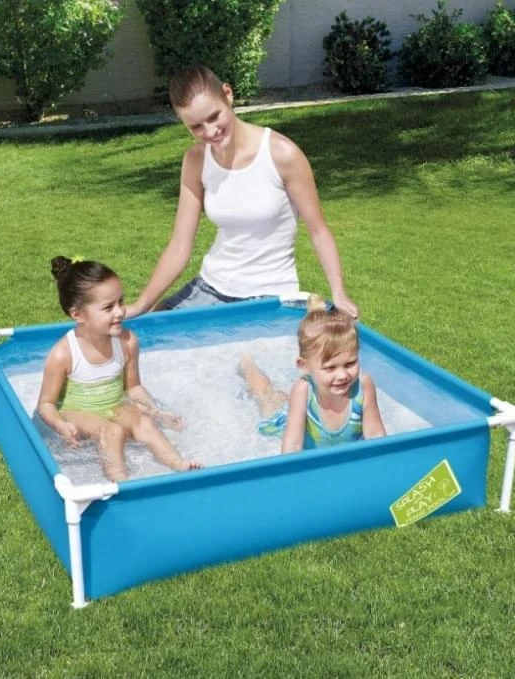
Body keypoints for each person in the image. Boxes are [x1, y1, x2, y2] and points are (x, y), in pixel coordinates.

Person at [125, 64, 359, 320]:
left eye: (214, 117)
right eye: (196, 127)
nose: (210, 132)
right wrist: (141, 305)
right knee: (149, 334)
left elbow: (318, 230)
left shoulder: (282, 154)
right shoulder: (196, 160)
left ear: (228, 94)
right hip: (210, 288)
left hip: (269, 295)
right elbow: (180, 245)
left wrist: (339, 292)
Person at [36, 256, 201, 481]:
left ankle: (179, 464)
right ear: (78, 315)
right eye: (108, 307)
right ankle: (120, 482)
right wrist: (60, 425)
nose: (119, 312)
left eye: (120, 302)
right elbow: (45, 404)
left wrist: (155, 411)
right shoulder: (63, 354)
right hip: (77, 412)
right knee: (111, 431)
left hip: (114, 406)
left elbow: (133, 388)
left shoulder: (127, 342)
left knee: (144, 423)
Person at [239, 296, 386, 453]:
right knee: (268, 397)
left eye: (350, 364)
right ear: (304, 365)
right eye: (330, 368)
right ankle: (247, 364)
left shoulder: (363, 385)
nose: (342, 375)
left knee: (283, 398)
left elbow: (376, 436)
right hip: (290, 423)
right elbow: (293, 446)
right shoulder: (303, 390)